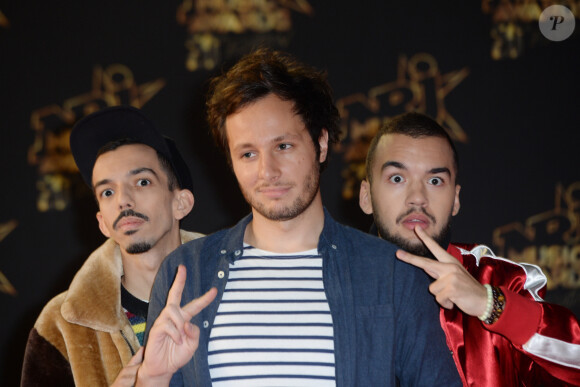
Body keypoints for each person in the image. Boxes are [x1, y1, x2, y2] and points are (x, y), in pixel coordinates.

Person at [133, 48, 461, 387]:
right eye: (248, 154)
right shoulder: (185, 274)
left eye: (283, 146)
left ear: (320, 143)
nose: (267, 171)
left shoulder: (391, 275)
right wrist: (152, 378)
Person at [359, 111, 580, 386]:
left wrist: (491, 304)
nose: (417, 198)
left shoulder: (503, 281)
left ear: (455, 200)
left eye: (435, 180)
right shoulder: (329, 287)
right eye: (397, 178)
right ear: (366, 197)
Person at [20, 106, 203, 387]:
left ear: (181, 203)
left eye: (142, 182)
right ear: (102, 222)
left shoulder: (237, 289)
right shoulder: (61, 326)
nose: (123, 200)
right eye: (107, 192)